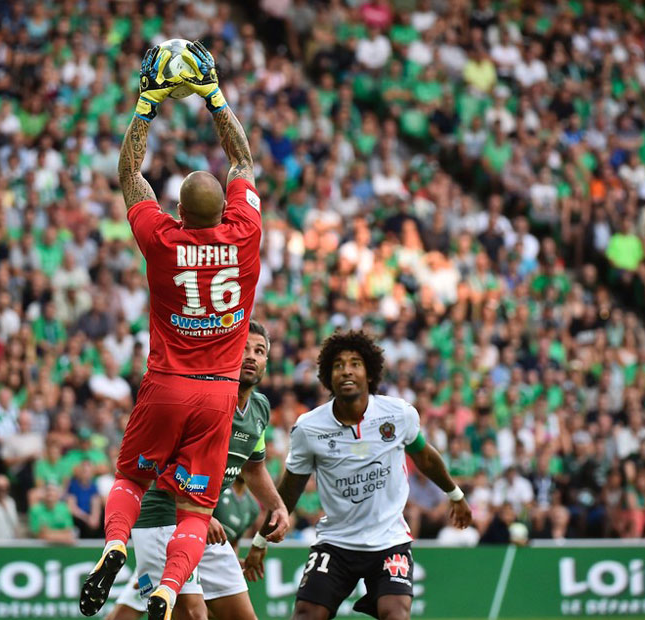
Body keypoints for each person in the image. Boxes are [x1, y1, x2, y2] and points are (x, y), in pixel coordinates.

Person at [81, 41, 266, 620]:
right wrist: (212, 96)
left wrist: (147, 104)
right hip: (217, 392)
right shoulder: (244, 235)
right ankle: (166, 590)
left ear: (179, 212)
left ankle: (114, 544)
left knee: (131, 478)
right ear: (225, 210)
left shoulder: (163, 240)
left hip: (165, 381)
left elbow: (129, 173)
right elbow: (242, 162)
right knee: (195, 510)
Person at [244, 330, 472, 620]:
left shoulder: (398, 414)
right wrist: (261, 542)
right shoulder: (309, 428)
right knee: (306, 614)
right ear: (328, 376)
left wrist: (455, 494)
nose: (346, 371)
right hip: (336, 543)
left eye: (355, 363)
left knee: (396, 614)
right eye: (338, 365)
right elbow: (288, 492)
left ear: (369, 373)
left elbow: (425, 456)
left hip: (389, 541)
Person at [109, 322, 288, 620]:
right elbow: (161, 464)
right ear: (227, 351)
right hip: (166, 516)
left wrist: (277, 506)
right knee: (192, 615)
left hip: (202, 522)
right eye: (243, 348)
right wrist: (196, 510)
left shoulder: (260, 408)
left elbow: (254, 468)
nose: (252, 357)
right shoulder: (201, 395)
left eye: (259, 351)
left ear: (268, 361)